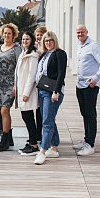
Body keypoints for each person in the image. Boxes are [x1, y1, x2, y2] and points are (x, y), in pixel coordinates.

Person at [74, 25, 100, 156]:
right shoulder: (81, 46)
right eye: (78, 33)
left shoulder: (93, 45)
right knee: (84, 113)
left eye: (82, 32)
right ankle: (86, 140)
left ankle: (90, 144)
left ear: (87, 32)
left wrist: (95, 78)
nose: (80, 34)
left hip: (90, 86)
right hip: (80, 85)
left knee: (90, 114)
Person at [34, 31, 67, 165]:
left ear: (55, 41)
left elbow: (61, 74)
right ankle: (53, 147)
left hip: (52, 92)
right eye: (46, 41)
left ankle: (43, 151)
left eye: (50, 40)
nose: (48, 43)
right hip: (42, 90)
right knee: (48, 118)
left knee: (46, 121)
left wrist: (56, 91)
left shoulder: (60, 53)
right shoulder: (44, 54)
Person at [0, 23, 22, 152]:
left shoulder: (16, 48)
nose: (7, 35)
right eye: (5, 33)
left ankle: (4, 141)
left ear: (13, 35)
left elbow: (19, 68)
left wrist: (16, 84)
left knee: (4, 111)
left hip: (10, 84)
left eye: (9, 33)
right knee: (1, 111)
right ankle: (9, 137)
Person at [14, 31, 39, 156]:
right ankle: (32, 141)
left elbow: (31, 76)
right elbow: (18, 73)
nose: (24, 41)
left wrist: (26, 93)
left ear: (32, 40)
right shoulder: (23, 53)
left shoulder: (33, 56)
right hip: (21, 89)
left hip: (27, 92)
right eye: (23, 39)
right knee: (26, 117)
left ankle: (34, 145)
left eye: (27, 39)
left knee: (29, 118)